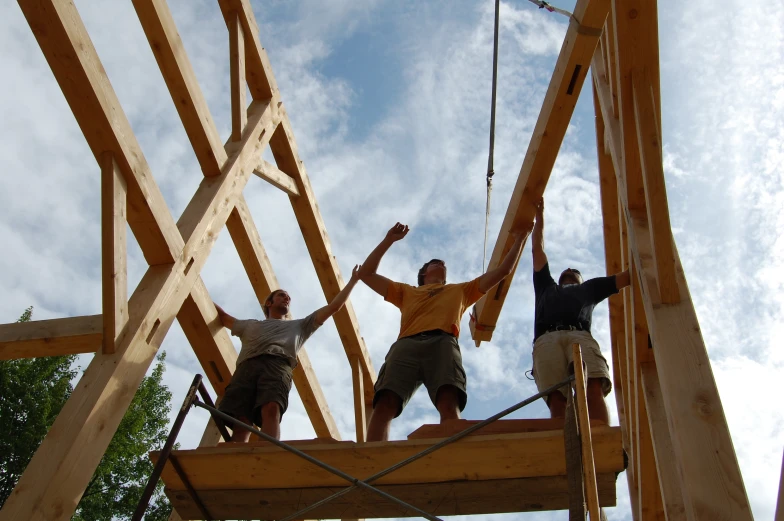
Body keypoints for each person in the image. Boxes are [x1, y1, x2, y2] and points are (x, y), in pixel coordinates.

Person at [360, 222, 528, 441]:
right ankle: (372, 461)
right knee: (384, 403)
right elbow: (366, 274)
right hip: (406, 345)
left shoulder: (461, 290)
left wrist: (520, 240)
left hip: (443, 342)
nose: (442, 263)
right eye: (434, 262)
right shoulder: (405, 292)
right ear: (423, 274)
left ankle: (454, 456)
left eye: (442, 263)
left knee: (449, 402)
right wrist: (388, 240)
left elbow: (503, 271)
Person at [213, 265, 362, 441]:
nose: (287, 298)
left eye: (289, 298)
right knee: (241, 419)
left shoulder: (300, 326)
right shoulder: (249, 325)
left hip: (278, 365)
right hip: (247, 366)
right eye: (282, 295)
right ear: (269, 303)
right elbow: (223, 317)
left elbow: (333, 307)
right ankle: (236, 460)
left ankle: (268, 454)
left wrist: (353, 280)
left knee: (271, 408)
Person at [530, 198, 630, 423]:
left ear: (580, 279)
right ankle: (564, 444)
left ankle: (600, 435)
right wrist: (540, 217)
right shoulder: (546, 285)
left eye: (574, 271)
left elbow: (626, 277)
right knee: (557, 396)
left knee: (591, 385)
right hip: (547, 338)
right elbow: (537, 249)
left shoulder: (590, 288)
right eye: (565, 271)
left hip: (579, 334)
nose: (568, 270)